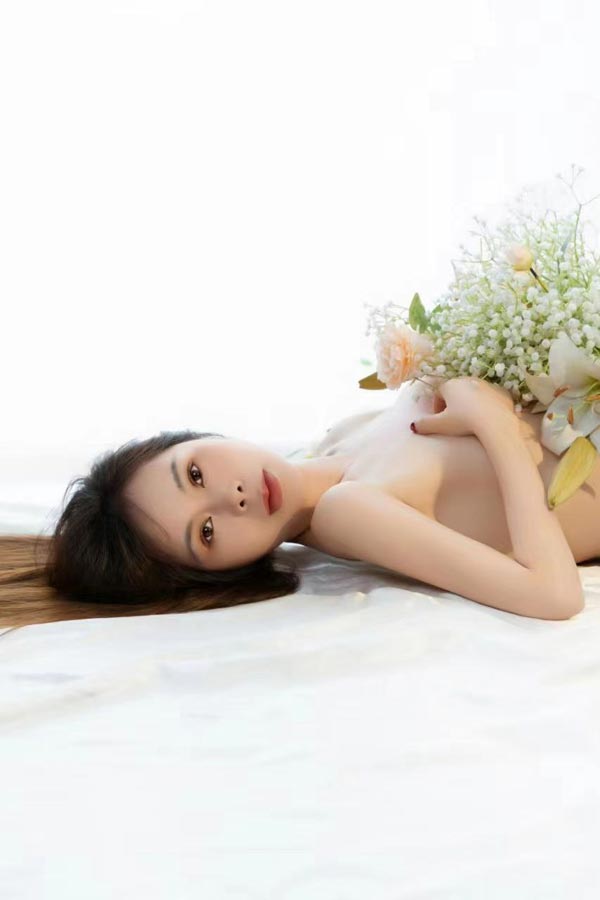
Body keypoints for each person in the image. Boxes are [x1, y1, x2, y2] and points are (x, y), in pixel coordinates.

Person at [0, 376, 589, 629]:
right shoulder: (348, 510)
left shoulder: (338, 437)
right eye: (206, 533)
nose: (231, 497)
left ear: (192, 437)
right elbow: (553, 595)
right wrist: (493, 426)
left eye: (195, 472)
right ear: (221, 575)